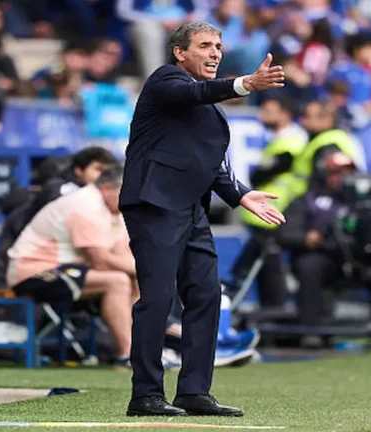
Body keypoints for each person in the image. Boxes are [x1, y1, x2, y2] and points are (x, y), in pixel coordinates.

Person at [119, 22, 285, 418]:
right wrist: (246, 84)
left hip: (191, 210)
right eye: (205, 46)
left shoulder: (208, 112)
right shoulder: (166, 80)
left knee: (207, 295)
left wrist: (241, 194)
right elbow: (194, 92)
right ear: (180, 52)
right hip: (155, 205)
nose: (215, 53)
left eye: (219, 46)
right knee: (158, 299)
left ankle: (194, 390)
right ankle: (145, 395)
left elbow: (208, 164)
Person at [7, 164, 136, 366]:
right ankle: (127, 354)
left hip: (70, 270)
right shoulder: (85, 205)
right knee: (117, 281)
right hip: (33, 272)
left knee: (136, 279)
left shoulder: (114, 210)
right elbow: (101, 262)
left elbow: (125, 254)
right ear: (109, 187)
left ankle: (143, 349)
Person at [0, 147, 117, 289]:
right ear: (78, 170)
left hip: (38, 266)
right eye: (98, 170)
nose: (104, 176)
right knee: (116, 281)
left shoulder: (94, 199)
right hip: (27, 268)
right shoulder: (73, 196)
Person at [230, 97, 307, 309]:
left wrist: (260, 176)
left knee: (266, 265)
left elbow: (266, 173)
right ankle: (268, 310)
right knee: (262, 267)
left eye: (269, 111)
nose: (261, 115)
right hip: (267, 213)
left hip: (277, 212)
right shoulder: (278, 139)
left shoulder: (292, 140)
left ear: (284, 114)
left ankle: (274, 310)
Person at [277, 152, 356, 347]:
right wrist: (305, 238)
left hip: (359, 256)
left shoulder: (362, 200)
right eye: (337, 173)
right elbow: (284, 233)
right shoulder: (308, 200)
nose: (342, 178)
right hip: (323, 256)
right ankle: (312, 330)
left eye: (347, 173)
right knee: (309, 265)